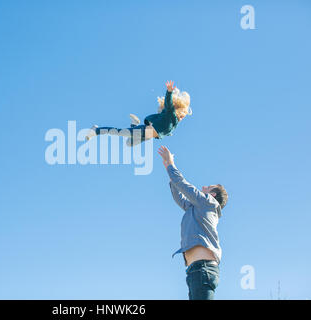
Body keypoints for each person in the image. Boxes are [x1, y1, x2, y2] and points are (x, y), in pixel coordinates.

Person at [157, 146, 228, 300]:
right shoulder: (196, 207)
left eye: (208, 188)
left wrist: (171, 164)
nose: (203, 187)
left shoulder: (209, 203)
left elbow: (184, 185)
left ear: (213, 194)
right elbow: (179, 197)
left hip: (203, 269)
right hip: (195, 270)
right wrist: (170, 173)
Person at [85, 81, 191, 146]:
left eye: (184, 116)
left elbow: (165, 130)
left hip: (147, 136)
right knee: (117, 132)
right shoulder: (170, 114)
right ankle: (96, 130)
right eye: (182, 115)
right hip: (144, 131)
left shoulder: (174, 125)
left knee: (129, 144)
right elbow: (169, 104)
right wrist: (169, 92)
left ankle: (134, 123)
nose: (182, 117)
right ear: (178, 111)